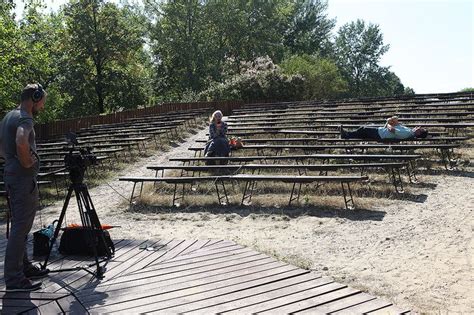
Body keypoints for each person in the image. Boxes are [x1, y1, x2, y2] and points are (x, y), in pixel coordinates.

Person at [0, 83, 49, 292]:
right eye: (42, 102)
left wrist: (11, 161)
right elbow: (21, 140)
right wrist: (27, 163)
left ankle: (24, 267)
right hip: (22, 179)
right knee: (20, 228)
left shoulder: (8, 116)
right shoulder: (25, 118)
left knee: (20, 226)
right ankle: (14, 278)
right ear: (35, 97)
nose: (43, 107)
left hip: (11, 175)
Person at [339, 116, 428, 140]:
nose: (418, 127)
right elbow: (396, 126)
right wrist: (393, 121)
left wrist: (389, 123)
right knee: (362, 133)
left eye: (420, 128)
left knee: (363, 129)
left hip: (381, 134)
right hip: (381, 132)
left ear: (419, 133)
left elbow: (392, 130)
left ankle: (346, 134)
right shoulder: (409, 131)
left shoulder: (407, 133)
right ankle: (346, 135)